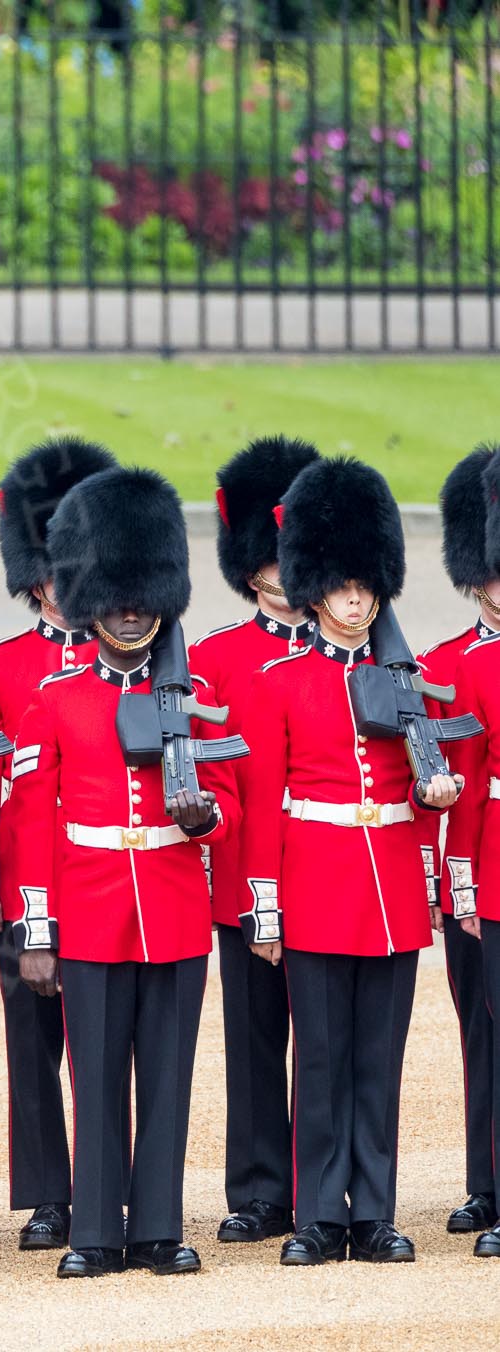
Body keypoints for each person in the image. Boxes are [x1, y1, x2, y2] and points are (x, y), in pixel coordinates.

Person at [10, 466, 230, 1279]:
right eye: (116, 593)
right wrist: (39, 927)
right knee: (96, 1079)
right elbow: (32, 824)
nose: (130, 608)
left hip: (171, 906)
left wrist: (209, 817)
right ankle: (95, 1231)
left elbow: (229, 799)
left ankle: (160, 1229)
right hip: (92, 913)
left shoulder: (195, 692)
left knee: (166, 1082)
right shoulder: (57, 698)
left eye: (142, 593)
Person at [239, 456, 459, 1265]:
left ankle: (374, 1212)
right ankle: (317, 1216)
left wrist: (437, 801)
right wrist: (265, 905)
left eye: (367, 584)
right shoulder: (280, 680)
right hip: (317, 884)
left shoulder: (415, 680)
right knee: (322, 1061)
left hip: (393, 886)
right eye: (341, 585)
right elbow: (264, 803)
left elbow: (428, 792)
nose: (357, 599)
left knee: (378, 1063)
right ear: (315, 588)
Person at [0, 436, 116, 1253]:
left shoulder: (127, 660)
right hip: (23, 884)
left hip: (101, 881)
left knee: (103, 1047)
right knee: (34, 1051)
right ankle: (49, 1194)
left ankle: (104, 1186)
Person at [187, 436, 320, 1246]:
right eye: (263, 557)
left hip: (332, 868)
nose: (276, 570)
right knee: (255, 1038)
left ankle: (322, 1183)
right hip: (246, 876)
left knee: (331, 1041)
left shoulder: (360, 652)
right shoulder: (214, 658)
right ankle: (261, 1188)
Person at [416, 443, 500, 1240]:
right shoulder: (448, 667)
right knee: (482, 1028)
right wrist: (459, 889)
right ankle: (487, 1181)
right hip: (485, 874)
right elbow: (455, 801)